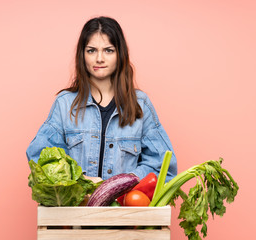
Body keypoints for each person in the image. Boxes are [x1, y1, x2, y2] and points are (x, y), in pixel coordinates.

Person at [26, 16, 177, 183]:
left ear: (120, 54)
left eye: (108, 50)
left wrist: (125, 182)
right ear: (82, 55)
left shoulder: (140, 104)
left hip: (125, 208)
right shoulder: (65, 104)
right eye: (91, 50)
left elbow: (162, 165)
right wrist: (81, 181)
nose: (99, 58)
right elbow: (40, 157)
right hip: (75, 208)